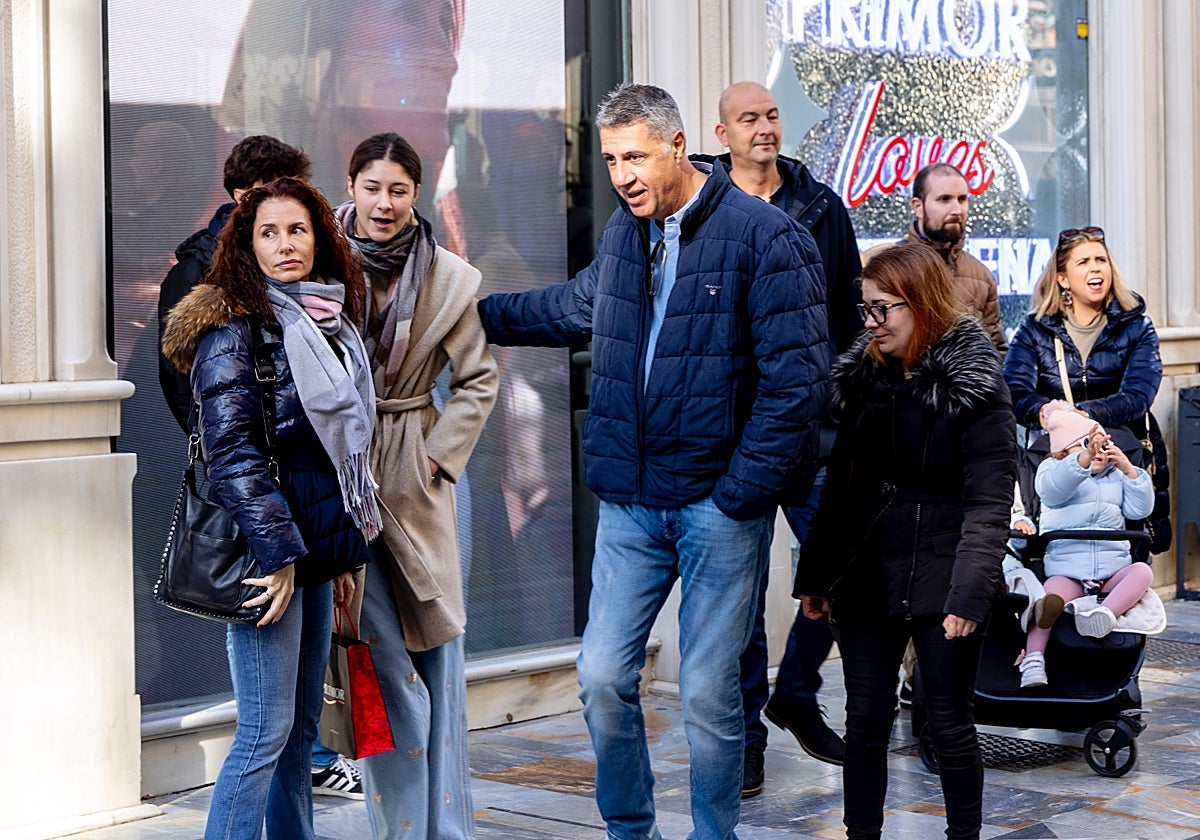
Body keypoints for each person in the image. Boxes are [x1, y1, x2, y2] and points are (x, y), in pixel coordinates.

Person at [478, 83, 830, 840]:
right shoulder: (623, 233)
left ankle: (712, 834)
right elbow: (574, 308)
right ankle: (629, 831)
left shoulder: (764, 236)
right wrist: (467, 318)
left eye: (635, 156)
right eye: (611, 160)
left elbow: (798, 383)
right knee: (602, 676)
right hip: (631, 503)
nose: (622, 175)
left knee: (706, 692)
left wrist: (739, 494)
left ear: (677, 146)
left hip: (717, 507)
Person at [161, 177, 380, 839]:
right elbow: (233, 457)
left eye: (297, 230)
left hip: (311, 553)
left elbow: (327, 459)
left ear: (319, 239)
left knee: (300, 733)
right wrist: (279, 557)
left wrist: (336, 559)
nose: (285, 244)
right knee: (263, 732)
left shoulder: (329, 323)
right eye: (268, 232)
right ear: (246, 246)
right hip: (267, 558)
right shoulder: (232, 331)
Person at [794, 243, 1015, 840]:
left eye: (883, 308)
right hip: (868, 574)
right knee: (864, 722)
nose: (872, 323)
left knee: (948, 723)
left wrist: (969, 594)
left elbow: (990, 500)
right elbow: (841, 488)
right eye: (865, 309)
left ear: (922, 303)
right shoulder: (863, 379)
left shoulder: (974, 384)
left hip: (945, 573)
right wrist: (817, 576)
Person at [336, 132, 498, 839]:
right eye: (372, 187)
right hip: (342, 475)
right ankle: (401, 828)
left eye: (398, 190)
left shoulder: (449, 278)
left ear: (416, 195)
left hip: (415, 478)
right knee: (377, 659)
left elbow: (478, 379)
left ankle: (446, 828)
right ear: (350, 185)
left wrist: (435, 456)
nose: (384, 203)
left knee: (438, 650)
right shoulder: (319, 259)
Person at [703, 80, 862, 793]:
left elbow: (854, 320)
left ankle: (795, 691)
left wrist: (842, 396)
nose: (765, 127)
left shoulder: (822, 206)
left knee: (845, 568)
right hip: (728, 437)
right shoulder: (699, 207)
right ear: (723, 132)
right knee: (739, 599)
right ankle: (745, 739)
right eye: (749, 118)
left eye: (771, 115)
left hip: (810, 430)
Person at [1016, 406, 1155, 688]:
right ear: (1063, 451)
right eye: (1088, 444)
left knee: (1142, 572)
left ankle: (1104, 615)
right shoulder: (1051, 470)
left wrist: (1129, 471)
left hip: (1111, 568)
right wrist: (1083, 459)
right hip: (1067, 570)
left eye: (1102, 445)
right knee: (1047, 601)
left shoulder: (1116, 477)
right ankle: (1033, 659)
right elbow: (1055, 489)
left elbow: (1140, 510)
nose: (1097, 452)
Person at [862, 163, 1007, 353]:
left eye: (962, 199)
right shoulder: (883, 266)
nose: (957, 209)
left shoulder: (981, 276)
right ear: (918, 207)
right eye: (944, 199)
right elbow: (863, 340)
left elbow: (995, 351)